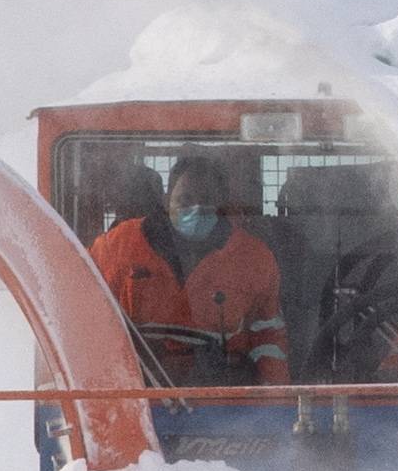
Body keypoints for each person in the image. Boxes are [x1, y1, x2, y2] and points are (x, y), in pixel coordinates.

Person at [87, 152, 290, 388]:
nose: (195, 209)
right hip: (138, 395)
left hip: (222, 399)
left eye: (206, 200)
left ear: (221, 203)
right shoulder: (116, 247)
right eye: (185, 200)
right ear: (166, 200)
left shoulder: (254, 259)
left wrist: (275, 403)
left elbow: (268, 337)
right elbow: (85, 320)